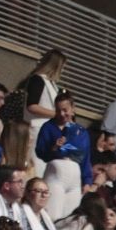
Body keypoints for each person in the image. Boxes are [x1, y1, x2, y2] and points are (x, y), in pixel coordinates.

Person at [34, 91, 91, 221]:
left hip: (75, 178)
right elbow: (40, 152)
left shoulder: (81, 131)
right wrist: (54, 148)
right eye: (58, 110)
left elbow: (86, 158)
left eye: (65, 110)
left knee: (69, 218)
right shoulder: (48, 127)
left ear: (72, 109)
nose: (61, 114)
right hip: (56, 173)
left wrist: (87, 180)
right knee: (51, 215)